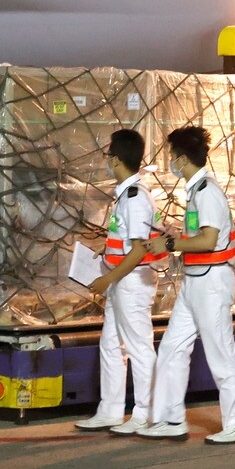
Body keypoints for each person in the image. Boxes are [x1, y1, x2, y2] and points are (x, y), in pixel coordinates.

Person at [137, 125, 235, 445]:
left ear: (183, 158)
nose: (170, 162)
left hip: (212, 282)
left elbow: (209, 240)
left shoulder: (207, 192)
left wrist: (171, 244)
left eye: (172, 157)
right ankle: (170, 418)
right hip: (195, 282)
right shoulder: (196, 191)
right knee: (173, 348)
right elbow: (197, 237)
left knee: (221, 354)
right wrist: (171, 239)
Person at [75, 128, 164, 435]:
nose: (106, 160)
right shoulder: (126, 195)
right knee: (111, 345)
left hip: (131, 282)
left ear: (115, 159)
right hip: (120, 280)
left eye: (107, 154)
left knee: (139, 347)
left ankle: (145, 414)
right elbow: (126, 243)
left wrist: (107, 278)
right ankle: (110, 411)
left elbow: (140, 249)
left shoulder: (136, 197)